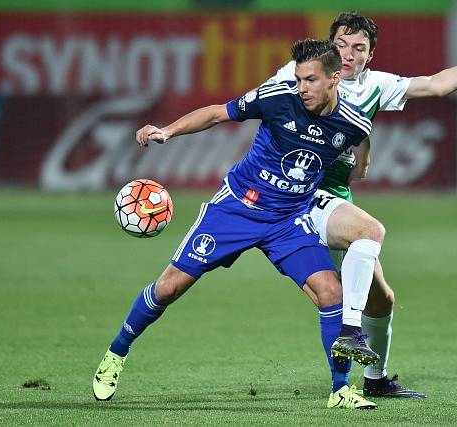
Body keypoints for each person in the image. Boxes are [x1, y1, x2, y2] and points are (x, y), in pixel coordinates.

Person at [93, 39, 382, 409]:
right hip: (237, 209)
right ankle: (116, 353)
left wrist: (354, 167)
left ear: (335, 78)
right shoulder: (278, 98)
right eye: (298, 79)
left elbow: (359, 160)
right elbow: (216, 113)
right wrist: (168, 131)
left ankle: (340, 390)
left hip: (289, 219)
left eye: (310, 80)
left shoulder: (354, 124)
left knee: (331, 294)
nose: (302, 88)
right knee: (168, 288)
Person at [267, 11, 457, 399]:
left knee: (382, 297)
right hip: (298, 194)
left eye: (359, 48)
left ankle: (376, 379)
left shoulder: (376, 86)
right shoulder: (299, 75)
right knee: (363, 243)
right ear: (329, 47)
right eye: (341, 45)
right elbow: (257, 107)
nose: (349, 54)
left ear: (371, 55)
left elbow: (437, 85)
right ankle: (349, 340)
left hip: (337, 197)